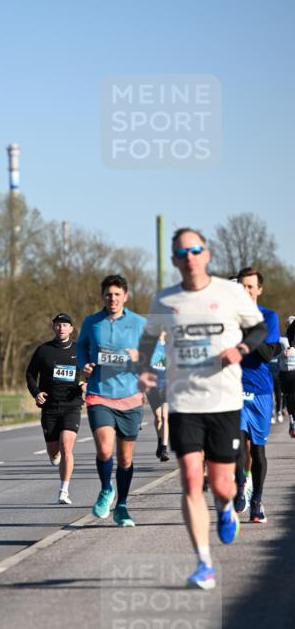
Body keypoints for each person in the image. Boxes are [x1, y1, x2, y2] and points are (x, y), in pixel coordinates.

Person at [138, 228, 267, 590]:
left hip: (224, 402)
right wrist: (145, 370)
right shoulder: (166, 300)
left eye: (196, 249)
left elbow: (258, 330)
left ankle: (227, 508)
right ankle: (204, 564)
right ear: (175, 260)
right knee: (192, 480)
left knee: (223, 484)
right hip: (184, 402)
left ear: (206, 254)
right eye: (183, 252)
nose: (190, 256)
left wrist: (239, 351)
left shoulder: (230, 293)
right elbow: (148, 339)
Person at [76, 275, 146, 526]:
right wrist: (84, 364)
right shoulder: (92, 322)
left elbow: (158, 350)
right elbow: (81, 347)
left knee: (125, 459)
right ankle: (106, 489)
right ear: (102, 296)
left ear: (125, 296)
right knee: (105, 449)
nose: (112, 298)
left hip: (130, 395)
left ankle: (122, 506)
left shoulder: (139, 323)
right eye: (108, 294)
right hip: (100, 393)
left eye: (117, 294)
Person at [233, 268, 281, 523]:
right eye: (241, 286)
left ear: (259, 289)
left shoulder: (269, 317)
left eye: (250, 287)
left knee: (258, 450)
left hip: (261, 390)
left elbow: (266, 354)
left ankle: (257, 500)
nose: (245, 291)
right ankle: (241, 484)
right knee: (237, 444)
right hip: (233, 388)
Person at [25, 312, 84, 505]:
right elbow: (31, 374)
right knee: (54, 451)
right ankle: (54, 454)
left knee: (67, 446)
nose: (61, 328)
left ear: (71, 329)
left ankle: (64, 490)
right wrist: (36, 393)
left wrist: (85, 383)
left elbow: (92, 371)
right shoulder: (44, 350)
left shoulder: (80, 350)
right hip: (50, 406)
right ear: (53, 328)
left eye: (65, 325)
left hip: (72, 405)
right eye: (58, 325)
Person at [146, 330, 170, 461]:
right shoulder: (149, 348)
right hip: (152, 387)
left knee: (165, 416)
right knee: (158, 417)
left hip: (167, 386)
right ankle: (160, 441)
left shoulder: (169, 347)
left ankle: (164, 448)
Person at [279, 315, 295, 437]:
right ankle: (291, 422)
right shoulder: (281, 340)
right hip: (285, 373)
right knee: (288, 397)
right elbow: (271, 354)